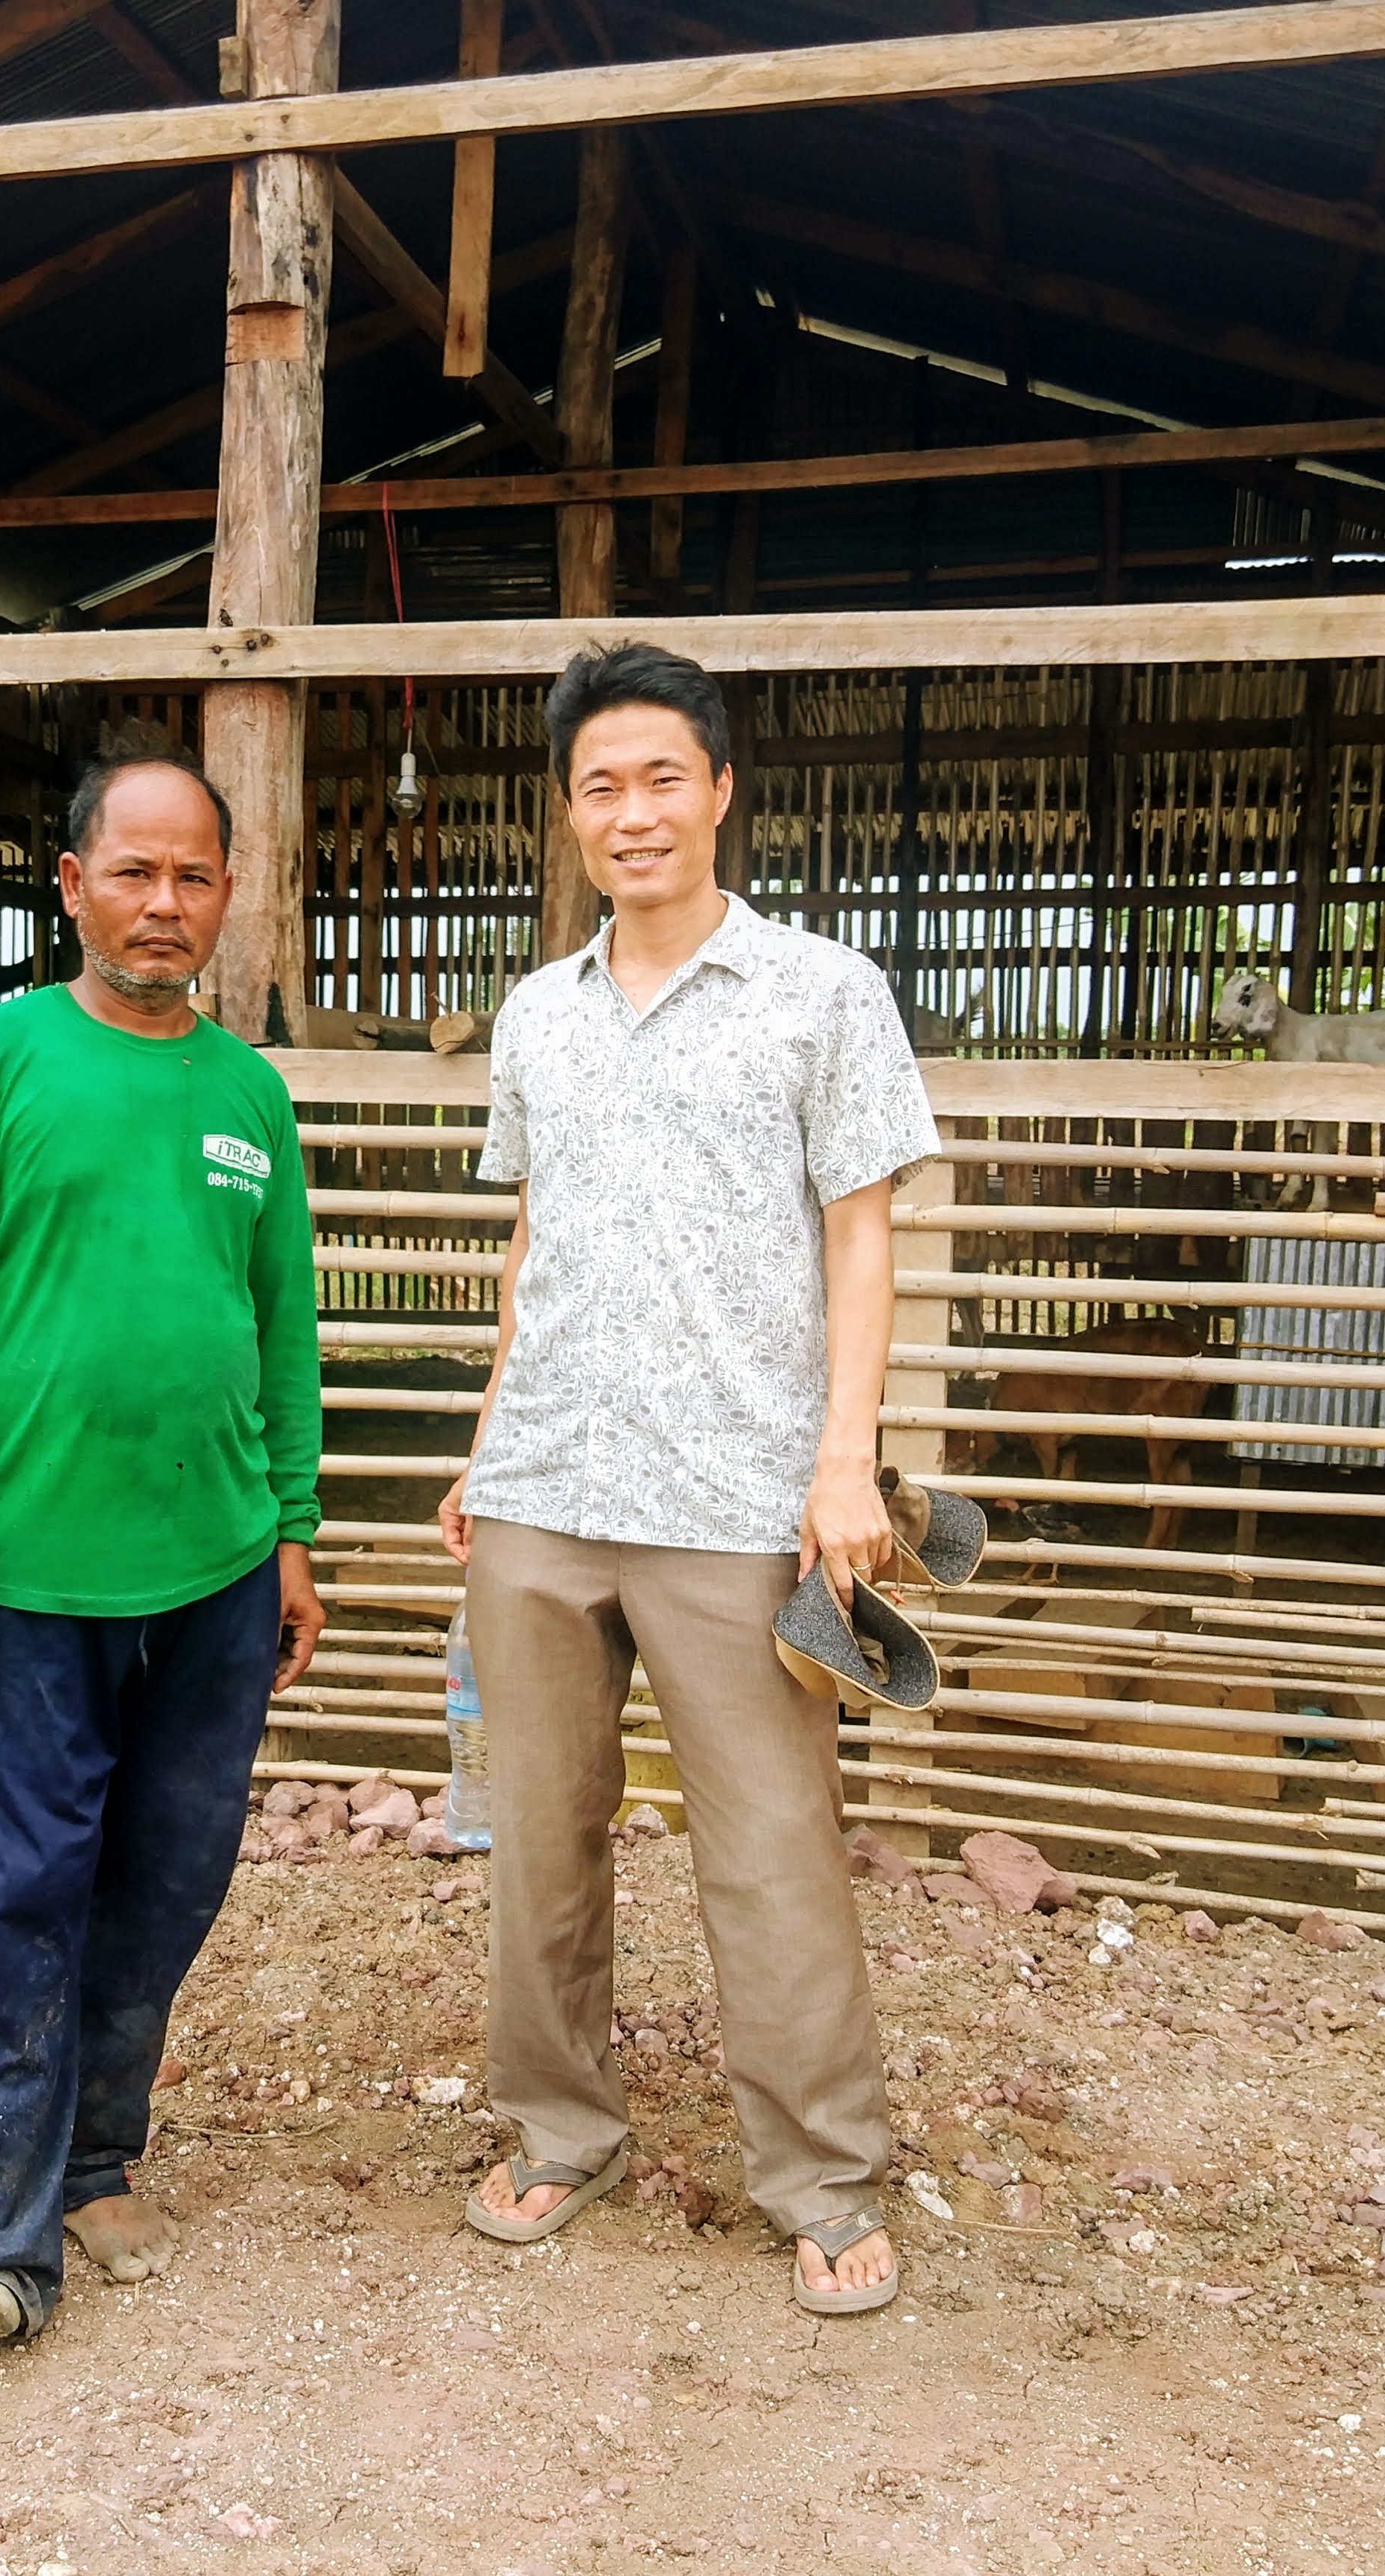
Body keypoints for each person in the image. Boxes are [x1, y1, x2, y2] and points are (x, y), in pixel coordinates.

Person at [436, 642, 937, 2318]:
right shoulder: (537, 1015)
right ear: (569, 814)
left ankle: (819, 2174)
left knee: (774, 1847)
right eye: (600, 785)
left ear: (721, 789)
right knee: (539, 1838)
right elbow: (536, 1241)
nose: (631, 810)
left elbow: (861, 1234)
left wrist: (842, 1458)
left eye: (662, 776)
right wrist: (486, 1437)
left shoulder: (818, 991)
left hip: (735, 1495)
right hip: (545, 1486)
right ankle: (557, 2131)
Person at [0, 752, 328, 2344]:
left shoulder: (247, 1093)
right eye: (131, 873)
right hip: (35, 1577)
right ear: (70, 886)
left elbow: (283, 1326)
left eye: (192, 877)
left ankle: (97, 2157)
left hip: (213, 1568)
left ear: (225, 893)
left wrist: (291, 1530)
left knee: (167, 1883)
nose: (162, 904)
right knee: (24, 1894)